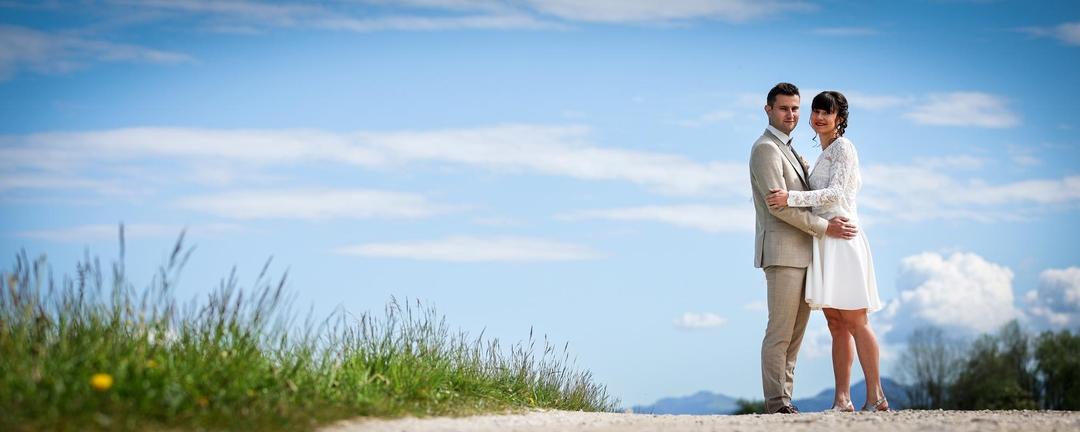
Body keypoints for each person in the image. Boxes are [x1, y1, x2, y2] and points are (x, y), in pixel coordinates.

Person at [765, 90, 888, 412]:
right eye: (816, 111)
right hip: (824, 240)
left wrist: (790, 198)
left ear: (840, 119)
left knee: (856, 319)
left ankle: (876, 395)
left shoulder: (844, 148)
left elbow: (835, 193)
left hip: (842, 237)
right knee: (835, 322)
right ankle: (842, 399)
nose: (819, 117)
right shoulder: (823, 152)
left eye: (827, 113)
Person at [749, 83, 858, 414]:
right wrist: (827, 228)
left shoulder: (793, 150)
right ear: (768, 110)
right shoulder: (766, 149)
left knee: (795, 338)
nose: (791, 114)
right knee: (779, 333)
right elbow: (778, 206)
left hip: (805, 253)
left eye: (795, 108)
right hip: (782, 253)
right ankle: (776, 403)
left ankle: (786, 401)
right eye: (784, 108)